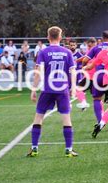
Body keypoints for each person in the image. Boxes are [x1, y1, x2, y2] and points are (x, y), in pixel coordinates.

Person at [27, 26, 78, 158]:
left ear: (48, 37)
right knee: (66, 118)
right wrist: (73, 88)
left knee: (38, 116)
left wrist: (33, 89)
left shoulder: (43, 52)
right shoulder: (67, 52)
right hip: (62, 89)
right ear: (60, 37)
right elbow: (73, 71)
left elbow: (38, 72)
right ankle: (68, 149)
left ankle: (34, 148)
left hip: (48, 88)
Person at [80, 31, 108, 125]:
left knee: (97, 99)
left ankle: (100, 121)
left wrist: (83, 67)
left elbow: (85, 60)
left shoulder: (96, 48)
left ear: (102, 38)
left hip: (99, 76)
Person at [69, 39, 89, 109]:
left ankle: (83, 103)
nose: (72, 47)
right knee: (67, 90)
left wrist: (82, 71)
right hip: (68, 75)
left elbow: (84, 63)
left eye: (73, 45)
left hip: (77, 75)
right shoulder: (68, 54)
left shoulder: (79, 55)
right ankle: (67, 105)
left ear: (76, 46)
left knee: (78, 89)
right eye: (71, 45)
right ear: (69, 46)